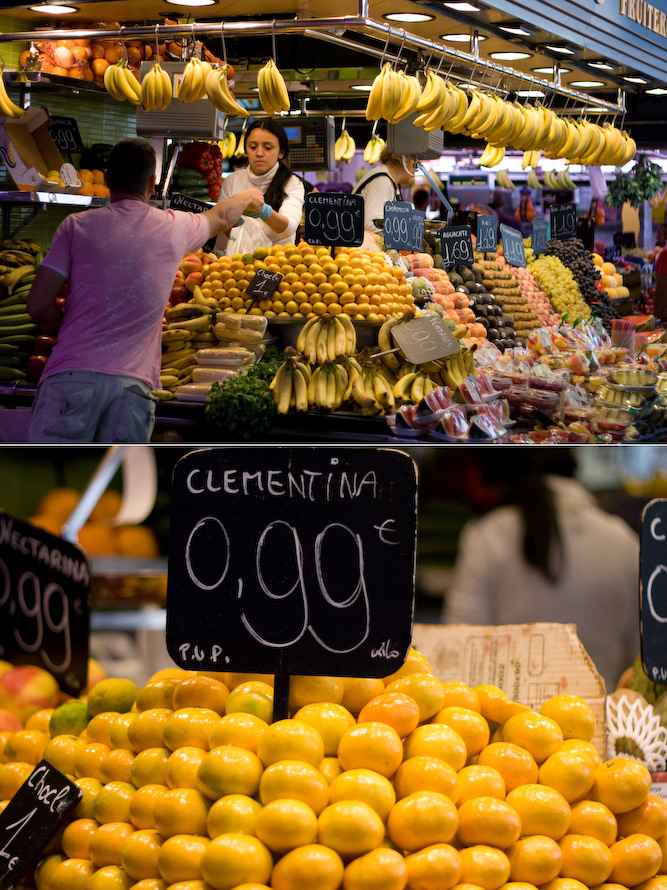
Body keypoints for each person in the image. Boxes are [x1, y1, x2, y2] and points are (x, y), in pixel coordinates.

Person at [26, 138, 265, 444]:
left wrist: (69, 318)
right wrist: (247, 196)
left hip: (70, 379)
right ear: (153, 183)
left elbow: (37, 304)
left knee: (52, 483)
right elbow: (220, 217)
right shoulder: (173, 227)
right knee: (120, 489)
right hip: (132, 390)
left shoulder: (75, 226)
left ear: (108, 178)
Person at [441, 450, 640, 691]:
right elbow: (641, 660)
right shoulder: (624, 541)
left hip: (509, 724)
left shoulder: (488, 536)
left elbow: (458, 649)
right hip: (603, 720)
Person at [216, 119, 305, 256]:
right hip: (238, 266)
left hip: (278, 266)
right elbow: (221, 225)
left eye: (268, 148)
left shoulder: (292, 183)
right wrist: (231, 221)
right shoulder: (232, 181)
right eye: (252, 147)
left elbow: (289, 228)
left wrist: (263, 211)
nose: (259, 153)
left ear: (281, 152)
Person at [353, 148, 417, 234]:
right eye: (415, 164)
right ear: (405, 160)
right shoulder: (382, 181)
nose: (416, 169)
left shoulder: (389, 181)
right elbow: (371, 225)